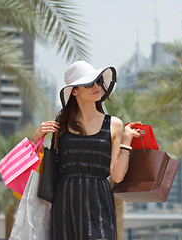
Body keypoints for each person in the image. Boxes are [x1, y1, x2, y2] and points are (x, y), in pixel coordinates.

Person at [32, 61, 141, 240]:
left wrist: (127, 139)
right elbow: (41, 165)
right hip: (65, 202)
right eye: (90, 83)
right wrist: (36, 138)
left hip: (99, 202)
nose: (97, 86)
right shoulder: (61, 125)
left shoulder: (114, 124)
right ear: (74, 91)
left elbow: (117, 176)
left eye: (98, 81)